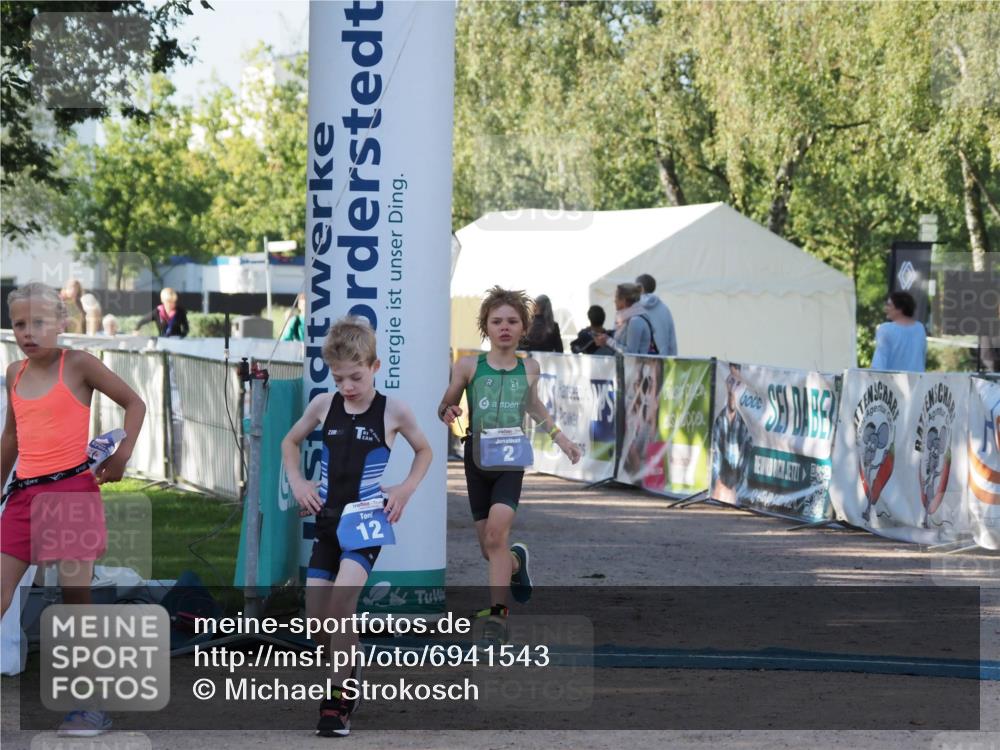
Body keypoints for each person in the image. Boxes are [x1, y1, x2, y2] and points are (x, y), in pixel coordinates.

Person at [1, 282, 146, 737]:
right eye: (19, 323)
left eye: (39, 322)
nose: (28, 331)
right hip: (23, 497)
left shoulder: (78, 364)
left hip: (72, 493)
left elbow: (134, 403)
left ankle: (90, 705)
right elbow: (11, 438)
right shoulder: (13, 373)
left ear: (62, 324)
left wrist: (121, 457)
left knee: (75, 600)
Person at [280, 316, 432, 738]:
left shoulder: (394, 410)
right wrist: (299, 482)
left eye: (356, 377)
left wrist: (404, 488)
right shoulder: (323, 406)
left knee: (342, 606)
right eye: (339, 377)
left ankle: (338, 701)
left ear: (375, 366)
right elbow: (289, 442)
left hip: (366, 523)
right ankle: (350, 663)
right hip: (327, 522)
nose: (347, 386)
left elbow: (425, 452)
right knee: (318, 625)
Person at [438, 287, 582, 647]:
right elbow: (445, 405)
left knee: (495, 536)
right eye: (497, 321)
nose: (504, 327)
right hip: (477, 457)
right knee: (490, 549)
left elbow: (534, 406)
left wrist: (560, 438)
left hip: (510, 458)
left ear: (523, 328)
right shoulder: (469, 365)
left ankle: (497, 617)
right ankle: (516, 564)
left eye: (512, 321)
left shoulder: (529, 367)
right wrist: (449, 411)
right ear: (485, 326)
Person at [710, 363, 752, 505]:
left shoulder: (747, 428)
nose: (733, 388)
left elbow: (745, 470)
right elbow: (714, 462)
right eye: (731, 382)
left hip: (735, 496)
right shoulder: (719, 422)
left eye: (737, 383)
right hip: (718, 494)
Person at [870, 291, 926, 372]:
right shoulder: (920, 328)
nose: (885, 309)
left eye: (889, 305)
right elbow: (922, 360)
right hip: (917, 382)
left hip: (890, 382)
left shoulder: (885, 329)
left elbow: (879, 363)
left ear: (900, 309)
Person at [594, 283, 656, 355]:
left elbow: (631, 354)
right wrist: (605, 340)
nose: (614, 301)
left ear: (623, 300)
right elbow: (619, 346)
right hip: (626, 365)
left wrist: (608, 341)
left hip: (635, 365)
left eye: (616, 297)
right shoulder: (626, 318)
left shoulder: (635, 321)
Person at [636, 273, 677, 356]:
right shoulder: (664, 309)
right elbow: (672, 341)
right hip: (662, 361)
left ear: (640, 288)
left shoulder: (633, 308)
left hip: (639, 362)